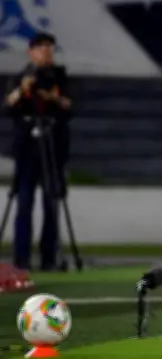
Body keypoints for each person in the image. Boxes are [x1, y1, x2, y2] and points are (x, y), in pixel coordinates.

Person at [3, 33, 72, 271]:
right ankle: (21, 258)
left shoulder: (60, 77)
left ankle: (48, 257)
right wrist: (23, 90)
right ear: (31, 52)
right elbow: (8, 106)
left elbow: (69, 105)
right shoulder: (20, 78)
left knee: (51, 202)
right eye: (41, 48)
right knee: (24, 202)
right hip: (27, 148)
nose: (46, 53)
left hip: (52, 145)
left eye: (49, 49)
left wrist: (48, 96)